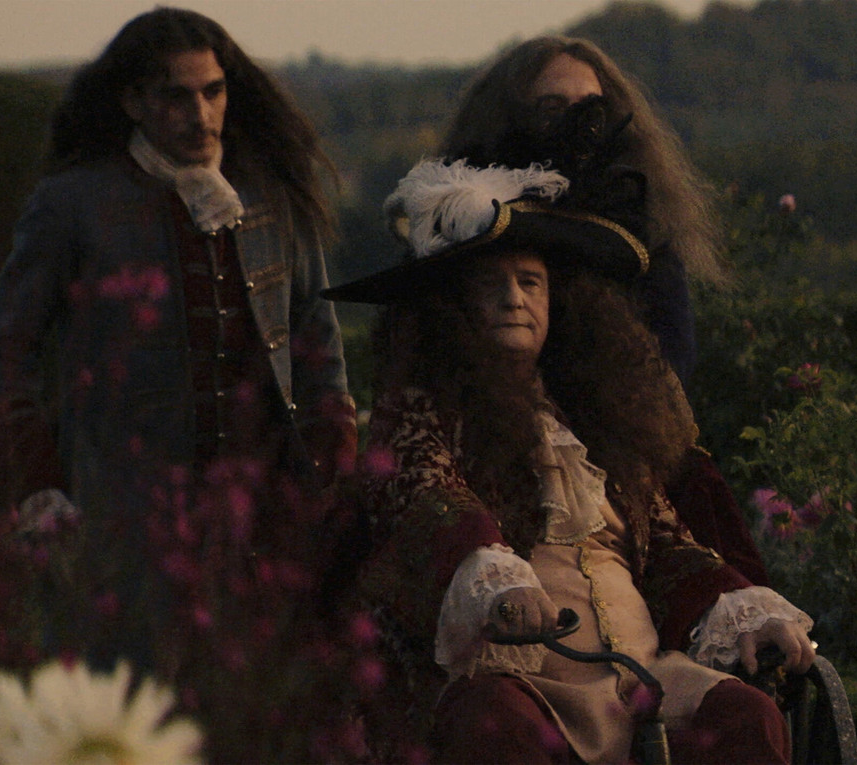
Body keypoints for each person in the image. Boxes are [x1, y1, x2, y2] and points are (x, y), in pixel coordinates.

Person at [331, 159, 814, 764]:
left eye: (530, 282)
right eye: (491, 283)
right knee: (492, 720)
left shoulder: (598, 424)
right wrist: (492, 577)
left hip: (646, 683)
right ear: (452, 306)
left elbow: (669, 546)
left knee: (746, 714)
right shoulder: (421, 408)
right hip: (526, 686)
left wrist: (742, 612)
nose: (514, 298)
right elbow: (424, 495)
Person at [0, 8, 355, 660]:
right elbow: (2, 356)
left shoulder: (270, 197)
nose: (201, 115)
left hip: (263, 526)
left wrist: (329, 471)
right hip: (123, 528)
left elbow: (318, 348)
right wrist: (39, 486)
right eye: (176, 97)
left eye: (213, 92)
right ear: (133, 102)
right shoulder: (74, 203)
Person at [440, 36, 770, 584]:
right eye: (552, 107)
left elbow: (671, 363)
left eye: (590, 108)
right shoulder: (468, 222)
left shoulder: (639, 229)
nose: (576, 123)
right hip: (492, 458)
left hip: (633, 470)